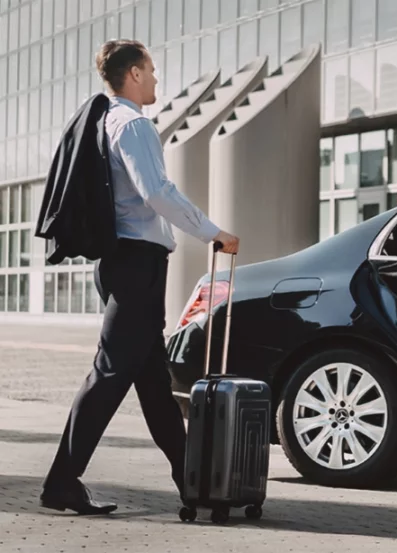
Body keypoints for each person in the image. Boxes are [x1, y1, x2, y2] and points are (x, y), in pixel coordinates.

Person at [39, 39, 239, 515]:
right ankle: (61, 482)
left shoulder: (107, 121)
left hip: (125, 264)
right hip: (136, 266)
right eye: (150, 71)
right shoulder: (132, 124)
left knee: (152, 380)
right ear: (132, 74)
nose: (155, 79)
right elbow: (157, 192)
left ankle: (193, 482)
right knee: (109, 374)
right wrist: (213, 232)